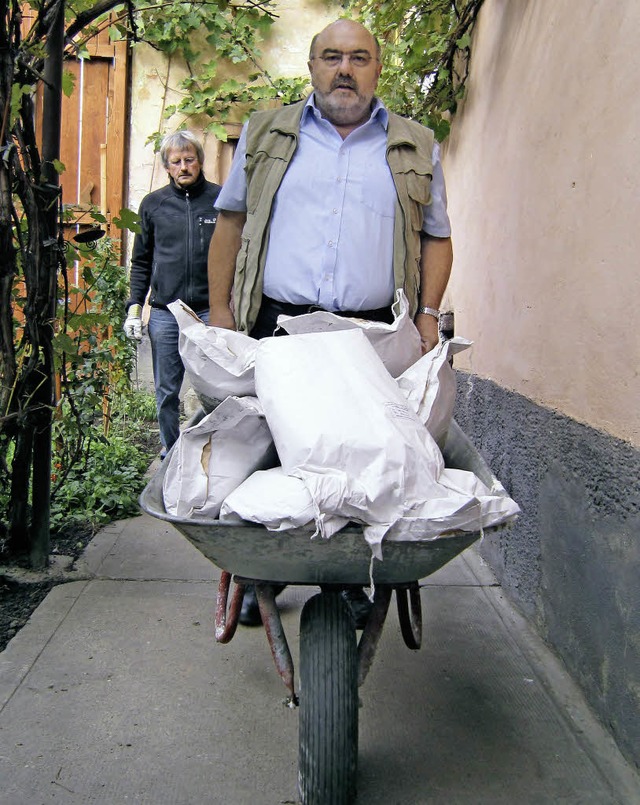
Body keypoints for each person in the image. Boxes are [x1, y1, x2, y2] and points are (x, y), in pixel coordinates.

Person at [207, 19, 453, 625]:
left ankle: (355, 569)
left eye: (360, 57)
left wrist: (424, 315)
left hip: (366, 331)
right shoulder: (266, 135)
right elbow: (231, 223)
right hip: (276, 324)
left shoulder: (416, 144)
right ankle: (260, 566)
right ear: (312, 66)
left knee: (363, 458)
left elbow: (437, 237)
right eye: (332, 56)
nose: (345, 68)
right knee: (267, 453)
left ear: (377, 68)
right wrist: (220, 312)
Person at [124, 131, 221, 458]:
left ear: (200, 161)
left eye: (189, 159)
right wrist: (134, 308)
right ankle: (172, 451)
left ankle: (212, 451)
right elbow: (141, 261)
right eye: (176, 161)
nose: (184, 166)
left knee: (217, 390)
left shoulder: (220, 202)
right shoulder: (153, 205)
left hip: (210, 312)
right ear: (167, 166)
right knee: (167, 392)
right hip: (166, 314)